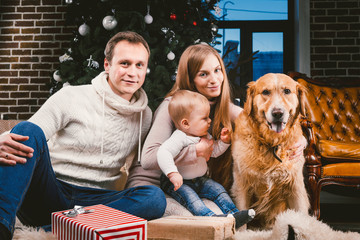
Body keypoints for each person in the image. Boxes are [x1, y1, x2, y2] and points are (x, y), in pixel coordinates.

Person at [0, 31, 166, 239]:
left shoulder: (145, 115)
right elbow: (29, 135)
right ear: (107, 65)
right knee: (27, 129)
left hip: (98, 203)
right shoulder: (72, 96)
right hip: (51, 191)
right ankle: (2, 227)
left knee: (154, 198)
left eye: (139, 65)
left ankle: (59, 230)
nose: (132, 72)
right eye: (125, 63)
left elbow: (140, 169)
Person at [126, 43, 306, 211]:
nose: (214, 80)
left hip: (187, 184)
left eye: (217, 70)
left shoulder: (220, 105)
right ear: (190, 79)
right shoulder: (171, 106)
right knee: (203, 221)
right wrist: (195, 150)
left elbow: (255, 121)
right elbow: (148, 159)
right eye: (203, 74)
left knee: (219, 213)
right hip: (152, 186)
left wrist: (301, 140)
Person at [157, 89, 255, 229]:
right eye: (204, 118)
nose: (210, 121)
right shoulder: (180, 137)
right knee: (192, 200)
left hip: (200, 180)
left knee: (218, 190)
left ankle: (234, 214)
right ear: (186, 123)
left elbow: (213, 152)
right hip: (179, 183)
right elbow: (163, 152)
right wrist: (172, 173)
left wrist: (224, 142)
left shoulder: (205, 136)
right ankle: (210, 218)